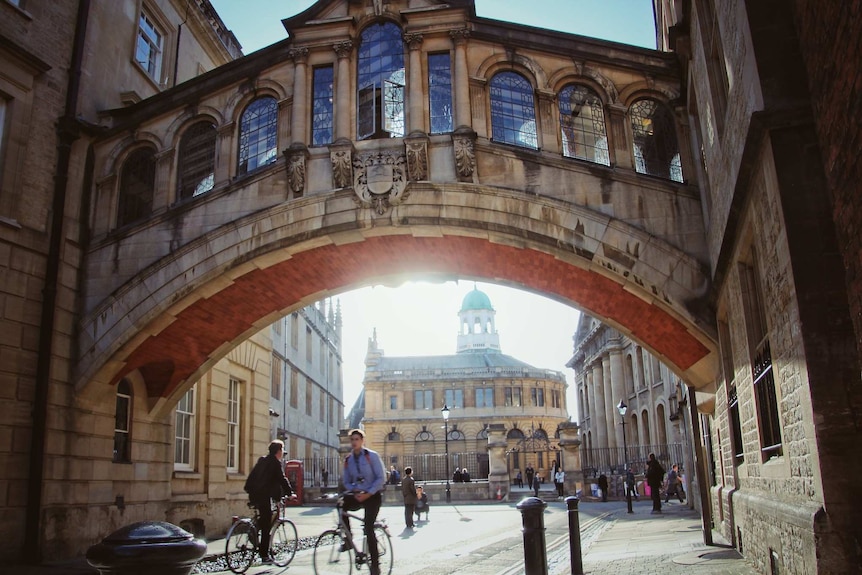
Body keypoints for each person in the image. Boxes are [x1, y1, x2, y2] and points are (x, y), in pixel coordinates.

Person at [243, 439, 296, 564]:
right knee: (266, 525)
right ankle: (264, 555)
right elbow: (282, 479)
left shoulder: (262, 460)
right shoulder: (275, 463)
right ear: (278, 451)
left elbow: (254, 476)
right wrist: (290, 493)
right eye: (282, 450)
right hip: (263, 496)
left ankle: (254, 529)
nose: (283, 452)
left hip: (253, 494)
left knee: (264, 518)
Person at [341, 428, 386, 575]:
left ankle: (375, 565)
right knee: (341, 504)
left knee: (368, 528)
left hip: (372, 496)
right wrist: (354, 489)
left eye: (357, 439)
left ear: (362, 441)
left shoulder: (371, 456)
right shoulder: (348, 460)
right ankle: (348, 539)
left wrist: (368, 493)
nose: (354, 442)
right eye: (352, 440)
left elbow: (381, 478)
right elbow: (346, 481)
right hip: (358, 494)